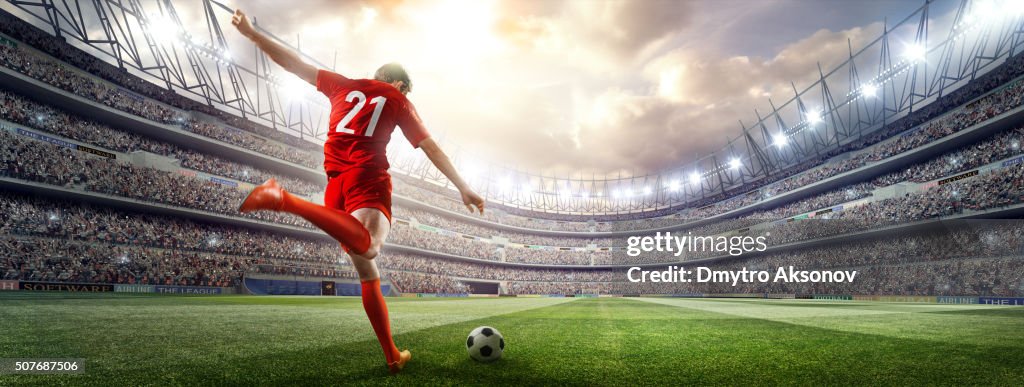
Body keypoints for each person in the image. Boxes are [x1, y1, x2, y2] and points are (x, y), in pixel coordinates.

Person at [231, 9, 485, 374]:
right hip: (367, 177)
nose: (404, 93)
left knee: (368, 273)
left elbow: (293, 64)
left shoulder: (341, 84)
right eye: (405, 88)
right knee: (371, 245)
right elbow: (430, 146)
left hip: (335, 185)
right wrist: (464, 186)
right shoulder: (398, 99)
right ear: (396, 84)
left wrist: (253, 34)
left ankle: (392, 356)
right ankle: (283, 199)